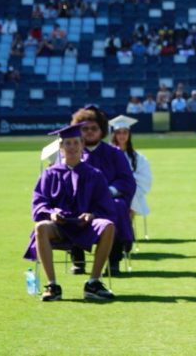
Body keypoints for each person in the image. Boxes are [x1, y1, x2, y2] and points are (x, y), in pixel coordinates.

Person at [23, 123, 116, 301]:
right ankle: (53, 285)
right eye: (67, 143)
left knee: (108, 226)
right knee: (41, 226)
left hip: (86, 225)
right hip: (59, 226)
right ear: (61, 147)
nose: (72, 147)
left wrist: (92, 215)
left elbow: (105, 205)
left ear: (82, 145)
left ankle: (93, 283)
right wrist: (51, 214)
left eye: (75, 143)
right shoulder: (50, 174)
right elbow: (39, 203)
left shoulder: (94, 174)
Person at [70, 106, 136, 276]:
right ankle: (78, 260)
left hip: (108, 200)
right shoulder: (70, 153)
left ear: (102, 130)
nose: (90, 132)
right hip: (79, 201)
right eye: (85, 129)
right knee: (70, 208)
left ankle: (114, 260)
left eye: (94, 128)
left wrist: (108, 191)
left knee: (118, 206)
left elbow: (127, 180)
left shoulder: (114, 154)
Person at [110, 115, 153, 221]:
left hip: (130, 191)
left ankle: (128, 228)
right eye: (119, 132)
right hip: (111, 190)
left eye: (125, 132)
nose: (122, 136)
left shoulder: (137, 157)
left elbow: (145, 178)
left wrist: (127, 181)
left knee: (131, 196)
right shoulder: (107, 154)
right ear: (114, 135)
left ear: (129, 134)